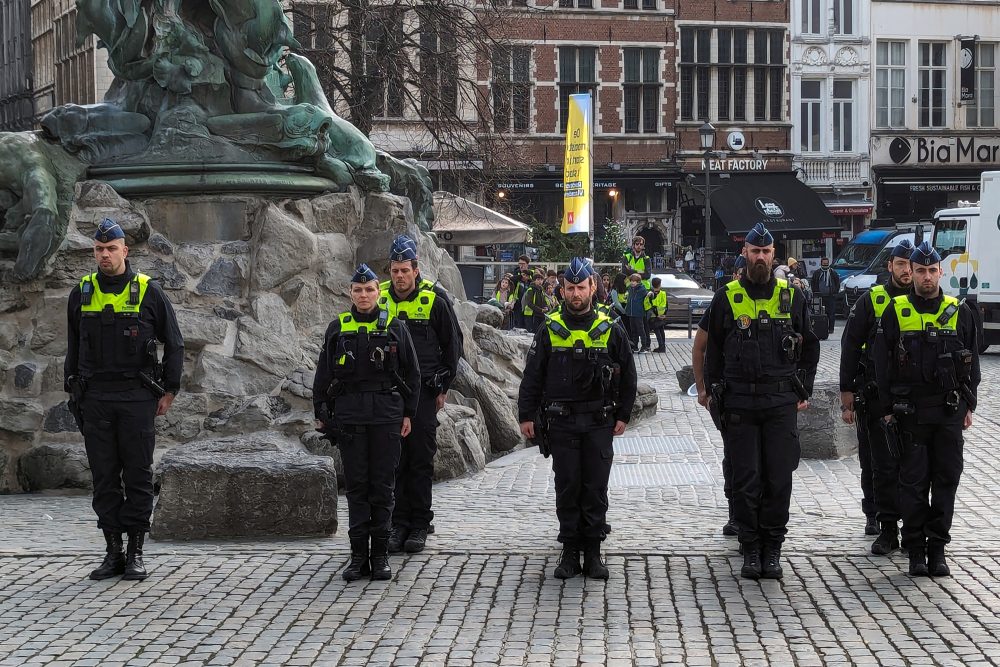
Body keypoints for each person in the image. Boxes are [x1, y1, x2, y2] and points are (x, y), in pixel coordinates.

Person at [65, 218, 184, 581]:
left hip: (136, 396)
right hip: (96, 397)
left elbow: (174, 343)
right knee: (104, 478)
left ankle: (135, 552)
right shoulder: (82, 291)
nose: (104, 254)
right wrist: (74, 392)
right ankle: (112, 551)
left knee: (137, 475)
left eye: (111, 248)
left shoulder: (148, 290)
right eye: (99, 249)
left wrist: (169, 389)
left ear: (124, 251)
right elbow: (72, 348)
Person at [703, 222, 820, 580]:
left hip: (779, 403)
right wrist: (712, 392)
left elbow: (810, 347)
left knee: (778, 478)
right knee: (745, 478)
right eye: (755, 251)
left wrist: (804, 390)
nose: (760, 257)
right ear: (745, 253)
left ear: (774, 255)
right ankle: (750, 549)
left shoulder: (793, 296)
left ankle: (773, 549)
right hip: (740, 405)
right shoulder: (727, 296)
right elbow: (714, 352)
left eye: (766, 252)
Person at [517, 257, 637, 580]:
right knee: (567, 484)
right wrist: (526, 414)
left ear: (592, 287)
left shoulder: (610, 326)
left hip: (599, 421)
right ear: (562, 290)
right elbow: (533, 376)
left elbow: (629, 374)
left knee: (595, 486)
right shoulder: (550, 328)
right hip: (562, 422)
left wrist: (624, 413)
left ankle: (594, 551)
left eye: (580, 288)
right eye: (570, 288)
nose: (575, 294)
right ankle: (570, 549)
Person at [875, 241, 980, 577]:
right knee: (914, 485)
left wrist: (969, 405)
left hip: (948, 413)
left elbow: (972, 364)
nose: (925, 277)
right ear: (911, 273)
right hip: (912, 415)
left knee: (947, 481)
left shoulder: (959, 311)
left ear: (940, 272)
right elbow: (882, 364)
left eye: (931, 271)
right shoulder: (897, 310)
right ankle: (915, 550)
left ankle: (938, 550)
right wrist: (888, 408)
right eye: (919, 271)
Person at [313, 264, 421, 581]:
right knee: (358, 488)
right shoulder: (338, 328)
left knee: (383, 488)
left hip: (386, 417)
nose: (364, 295)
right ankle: (358, 556)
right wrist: (321, 413)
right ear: (351, 293)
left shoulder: (396, 328)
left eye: (370, 289)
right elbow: (323, 376)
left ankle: (381, 555)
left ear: (378, 292)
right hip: (350, 418)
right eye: (358, 290)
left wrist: (408, 414)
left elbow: (413, 375)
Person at [379, 235, 463, 554]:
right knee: (394, 460)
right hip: (389, 393)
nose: (399, 276)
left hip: (424, 392)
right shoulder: (380, 298)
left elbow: (453, 346)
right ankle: (398, 523)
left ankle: (418, 524)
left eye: (404, 270)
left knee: (420, 459)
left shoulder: (434, 300)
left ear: (416, 269)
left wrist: (443, 386)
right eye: (394, 270)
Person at [839, 239, 915, 548]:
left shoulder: (924, 300)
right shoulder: (873, 300)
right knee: (874, 461)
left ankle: (910, 523)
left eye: (911, 266)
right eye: (901, 264)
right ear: (890, 267)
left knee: (911, 465)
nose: (907, 271)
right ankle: (876, 516)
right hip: (873, 394)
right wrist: (846, 391)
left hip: (912, 397)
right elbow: (850, 345)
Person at [693, 254, 747, 539]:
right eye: (739, 272)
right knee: (735, 457)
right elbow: (699, 346)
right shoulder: (723, 301)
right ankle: (736, 513)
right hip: (730, 395)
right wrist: (702, 389)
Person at [810, 257, 841, 335]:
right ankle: (821, 328)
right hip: (820, 297)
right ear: (821, 263)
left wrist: (835, 293)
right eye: (824, 264)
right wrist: (815, 293)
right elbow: (813, 283)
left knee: (831, 313)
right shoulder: (817, 273)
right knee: (820, 313)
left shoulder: (832, 272)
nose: (825, 265)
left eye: (826, 264)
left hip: (830, 296)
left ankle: (831, 329)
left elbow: (837, 283)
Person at [624, 273, 649, 353]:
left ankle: (644, 346)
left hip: (638, 313)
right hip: (631, 313)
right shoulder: (630, 288)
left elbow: (648, 296)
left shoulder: (642, 289)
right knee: (633, 330)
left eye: (634, 281)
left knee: (641, 330)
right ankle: (635, 346)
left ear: (638, 282)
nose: (632, 282)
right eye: (631, 281)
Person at [643, 276, 668, 353]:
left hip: (654, 316)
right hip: (662, 315)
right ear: (660, 285)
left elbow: (648, 305)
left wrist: (656, 314)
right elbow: (665, 304)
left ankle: (661, 347)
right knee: (661, 330)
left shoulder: (650, 294)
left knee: (657, 331)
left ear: (652, 285)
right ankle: (662, 346)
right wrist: (664, 314)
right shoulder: (663, 293)